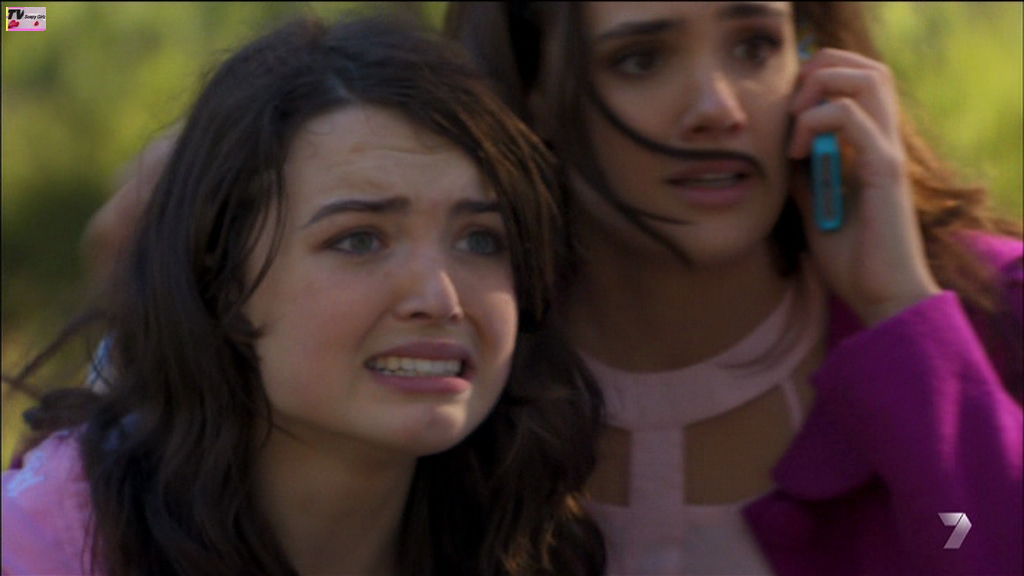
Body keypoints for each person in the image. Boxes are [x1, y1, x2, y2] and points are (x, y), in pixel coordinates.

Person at [2, 15, 607, 576]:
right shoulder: (49, 542)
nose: (439, 297)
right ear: (221, 280)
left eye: (480, 240)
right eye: (360, 239)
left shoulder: (530, 535)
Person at [446, 3, 1023, 575]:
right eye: (641, 59)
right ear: (534, 93)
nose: (718, 108)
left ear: (813, 63)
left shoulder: (999, 312)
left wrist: (903, 314)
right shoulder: (451, 358)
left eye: (754, 46)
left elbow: (980, 542)